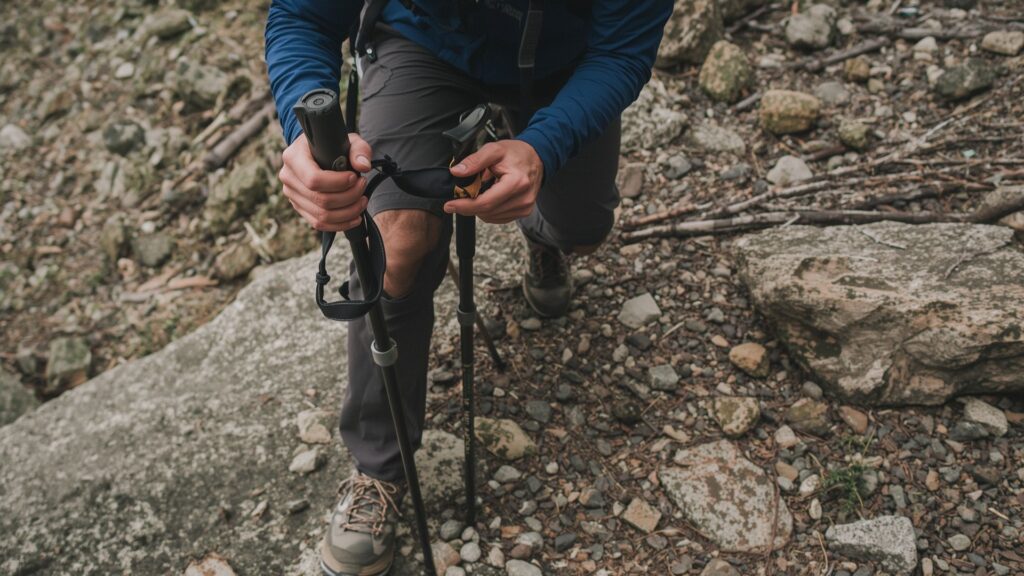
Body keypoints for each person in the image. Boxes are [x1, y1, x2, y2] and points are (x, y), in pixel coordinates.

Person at [265, 1, 672, 574]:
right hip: (423, 43)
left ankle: (542, 233)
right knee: (395, 249)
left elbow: (622, 52)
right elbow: (303, 16)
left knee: (581, 228)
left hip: (566, 59)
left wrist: (543, 148)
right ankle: (381, 468)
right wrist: (304, 128)